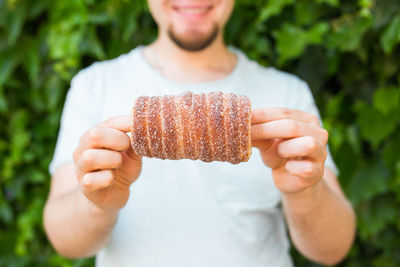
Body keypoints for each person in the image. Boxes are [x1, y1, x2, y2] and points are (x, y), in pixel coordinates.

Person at [43, 0, 356, 266]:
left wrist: (303, 192)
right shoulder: (95, 87)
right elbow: (66, 243)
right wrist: (96, 204)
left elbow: (333, 249)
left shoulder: (287, 95)